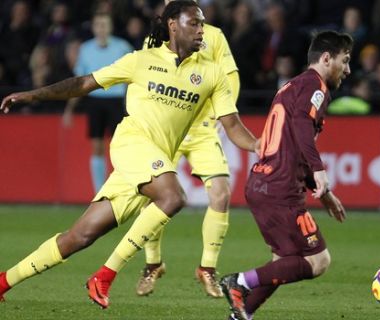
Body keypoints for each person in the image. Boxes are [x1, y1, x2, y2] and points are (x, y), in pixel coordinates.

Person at [0, 0, 258, 309]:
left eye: (203, 24)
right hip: (131, 144)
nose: (202, 30)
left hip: (153, 160)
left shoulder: (212, 73)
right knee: (173, 197)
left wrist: (258, 146)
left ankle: (4, 281)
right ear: (173, 25)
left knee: (78, 237)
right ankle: (105, 276)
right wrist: (32, 95)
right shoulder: (141, 60)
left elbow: (232, 124)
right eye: (195, 23)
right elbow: (83, 83)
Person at [218, 30, 351, 320]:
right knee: (317, 260)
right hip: (279, 188)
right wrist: (319, 170)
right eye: (345, 61)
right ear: (327, 59)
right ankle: (239, 282)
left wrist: (324, 194)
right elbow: (303, 126)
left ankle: (241, 315)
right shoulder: (316, 87)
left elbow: (292, 147)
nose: (348, 70)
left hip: (262, 183)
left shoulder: (291, 87)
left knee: (284, 262)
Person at [135, 0, 241, 299]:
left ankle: (207, 268)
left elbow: (230, 76)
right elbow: (144, 79)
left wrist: (223, 110)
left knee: (221, 192)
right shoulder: (153, 40)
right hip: (168, 128)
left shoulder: (214, 35)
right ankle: (153, 263)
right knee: (154, 196)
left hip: (202, 129)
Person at [63, 12, 133, 193]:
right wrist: (70, 108)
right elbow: (79, 82)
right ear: (94, 28)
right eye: (98, 25)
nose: (101, 28)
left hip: (117, 101)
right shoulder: (85, 49)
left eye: (105, 24)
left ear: (110, 27)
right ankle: (99, 192)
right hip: (94, 101)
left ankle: (125, 188)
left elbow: (133, 77)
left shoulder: (122, 47)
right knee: (97, 146)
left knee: (121, 147)